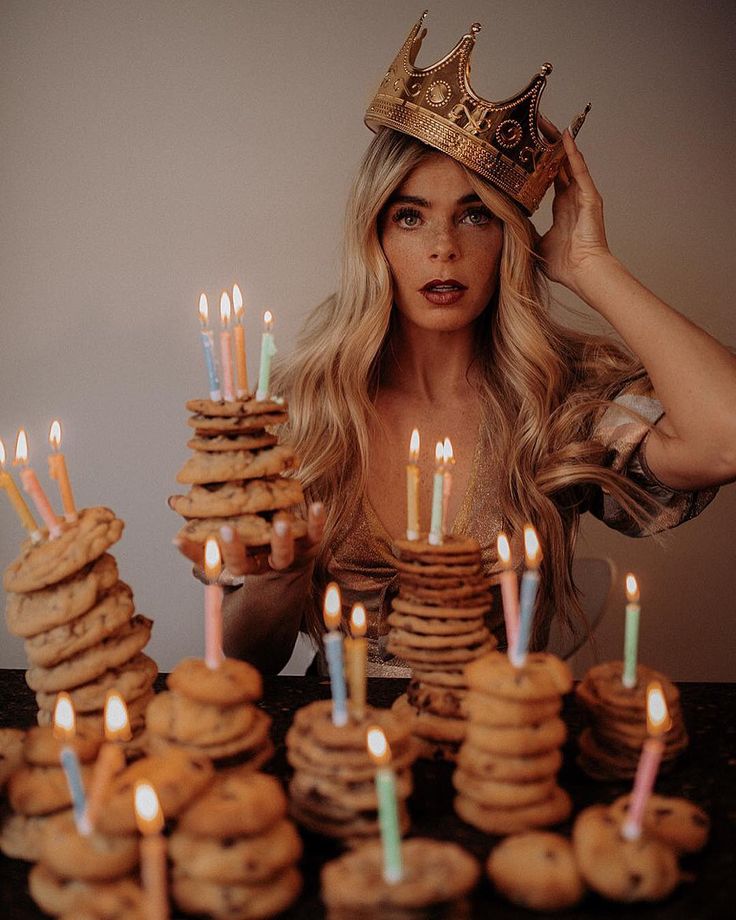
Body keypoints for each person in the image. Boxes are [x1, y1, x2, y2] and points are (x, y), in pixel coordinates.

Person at [177, 15, 736, 675]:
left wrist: (589, 264)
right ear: (375, 239)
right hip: (344, 753)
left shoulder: (559, 397)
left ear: (508, 236)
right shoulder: (302, 412)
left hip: (502, 753)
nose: (444, 247)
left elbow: (725, 440)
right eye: (409, 217)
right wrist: (279, 577)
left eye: (474, 215)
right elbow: (247, 664)